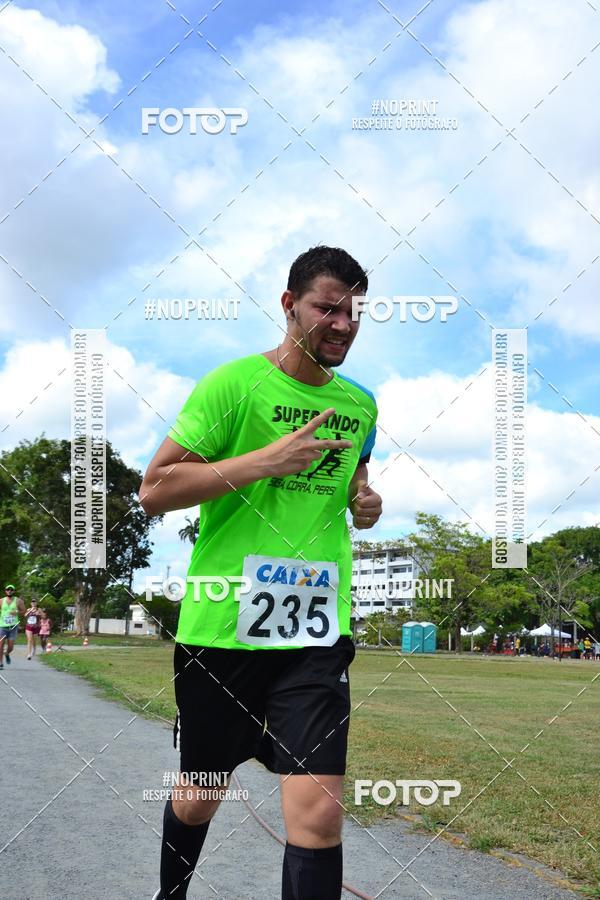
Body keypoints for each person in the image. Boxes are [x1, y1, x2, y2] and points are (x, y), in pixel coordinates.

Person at [140, 246, 382, 900]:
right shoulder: (233, 386)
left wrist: (366, 505)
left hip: (315, 633)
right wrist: (262, 461)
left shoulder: (361, 405)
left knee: (320, 812)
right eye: (327, 309)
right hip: (223, 629)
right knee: (200, 796)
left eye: (354, 313)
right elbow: (155, 489)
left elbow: (355, 485)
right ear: (288, 305)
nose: (343, 325)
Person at [0, 584, 26, 668]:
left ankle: (7, 653)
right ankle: (1, 663)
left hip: (13, 626)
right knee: (0, 645)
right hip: (2, 626)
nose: (9, 591)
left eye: (11, 590)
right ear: (5, 591)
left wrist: (17, 612)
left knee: (11, 647)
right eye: (8, 589)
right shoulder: (1, 601)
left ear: (14, 591)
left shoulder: (18, 601)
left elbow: (24, 611)